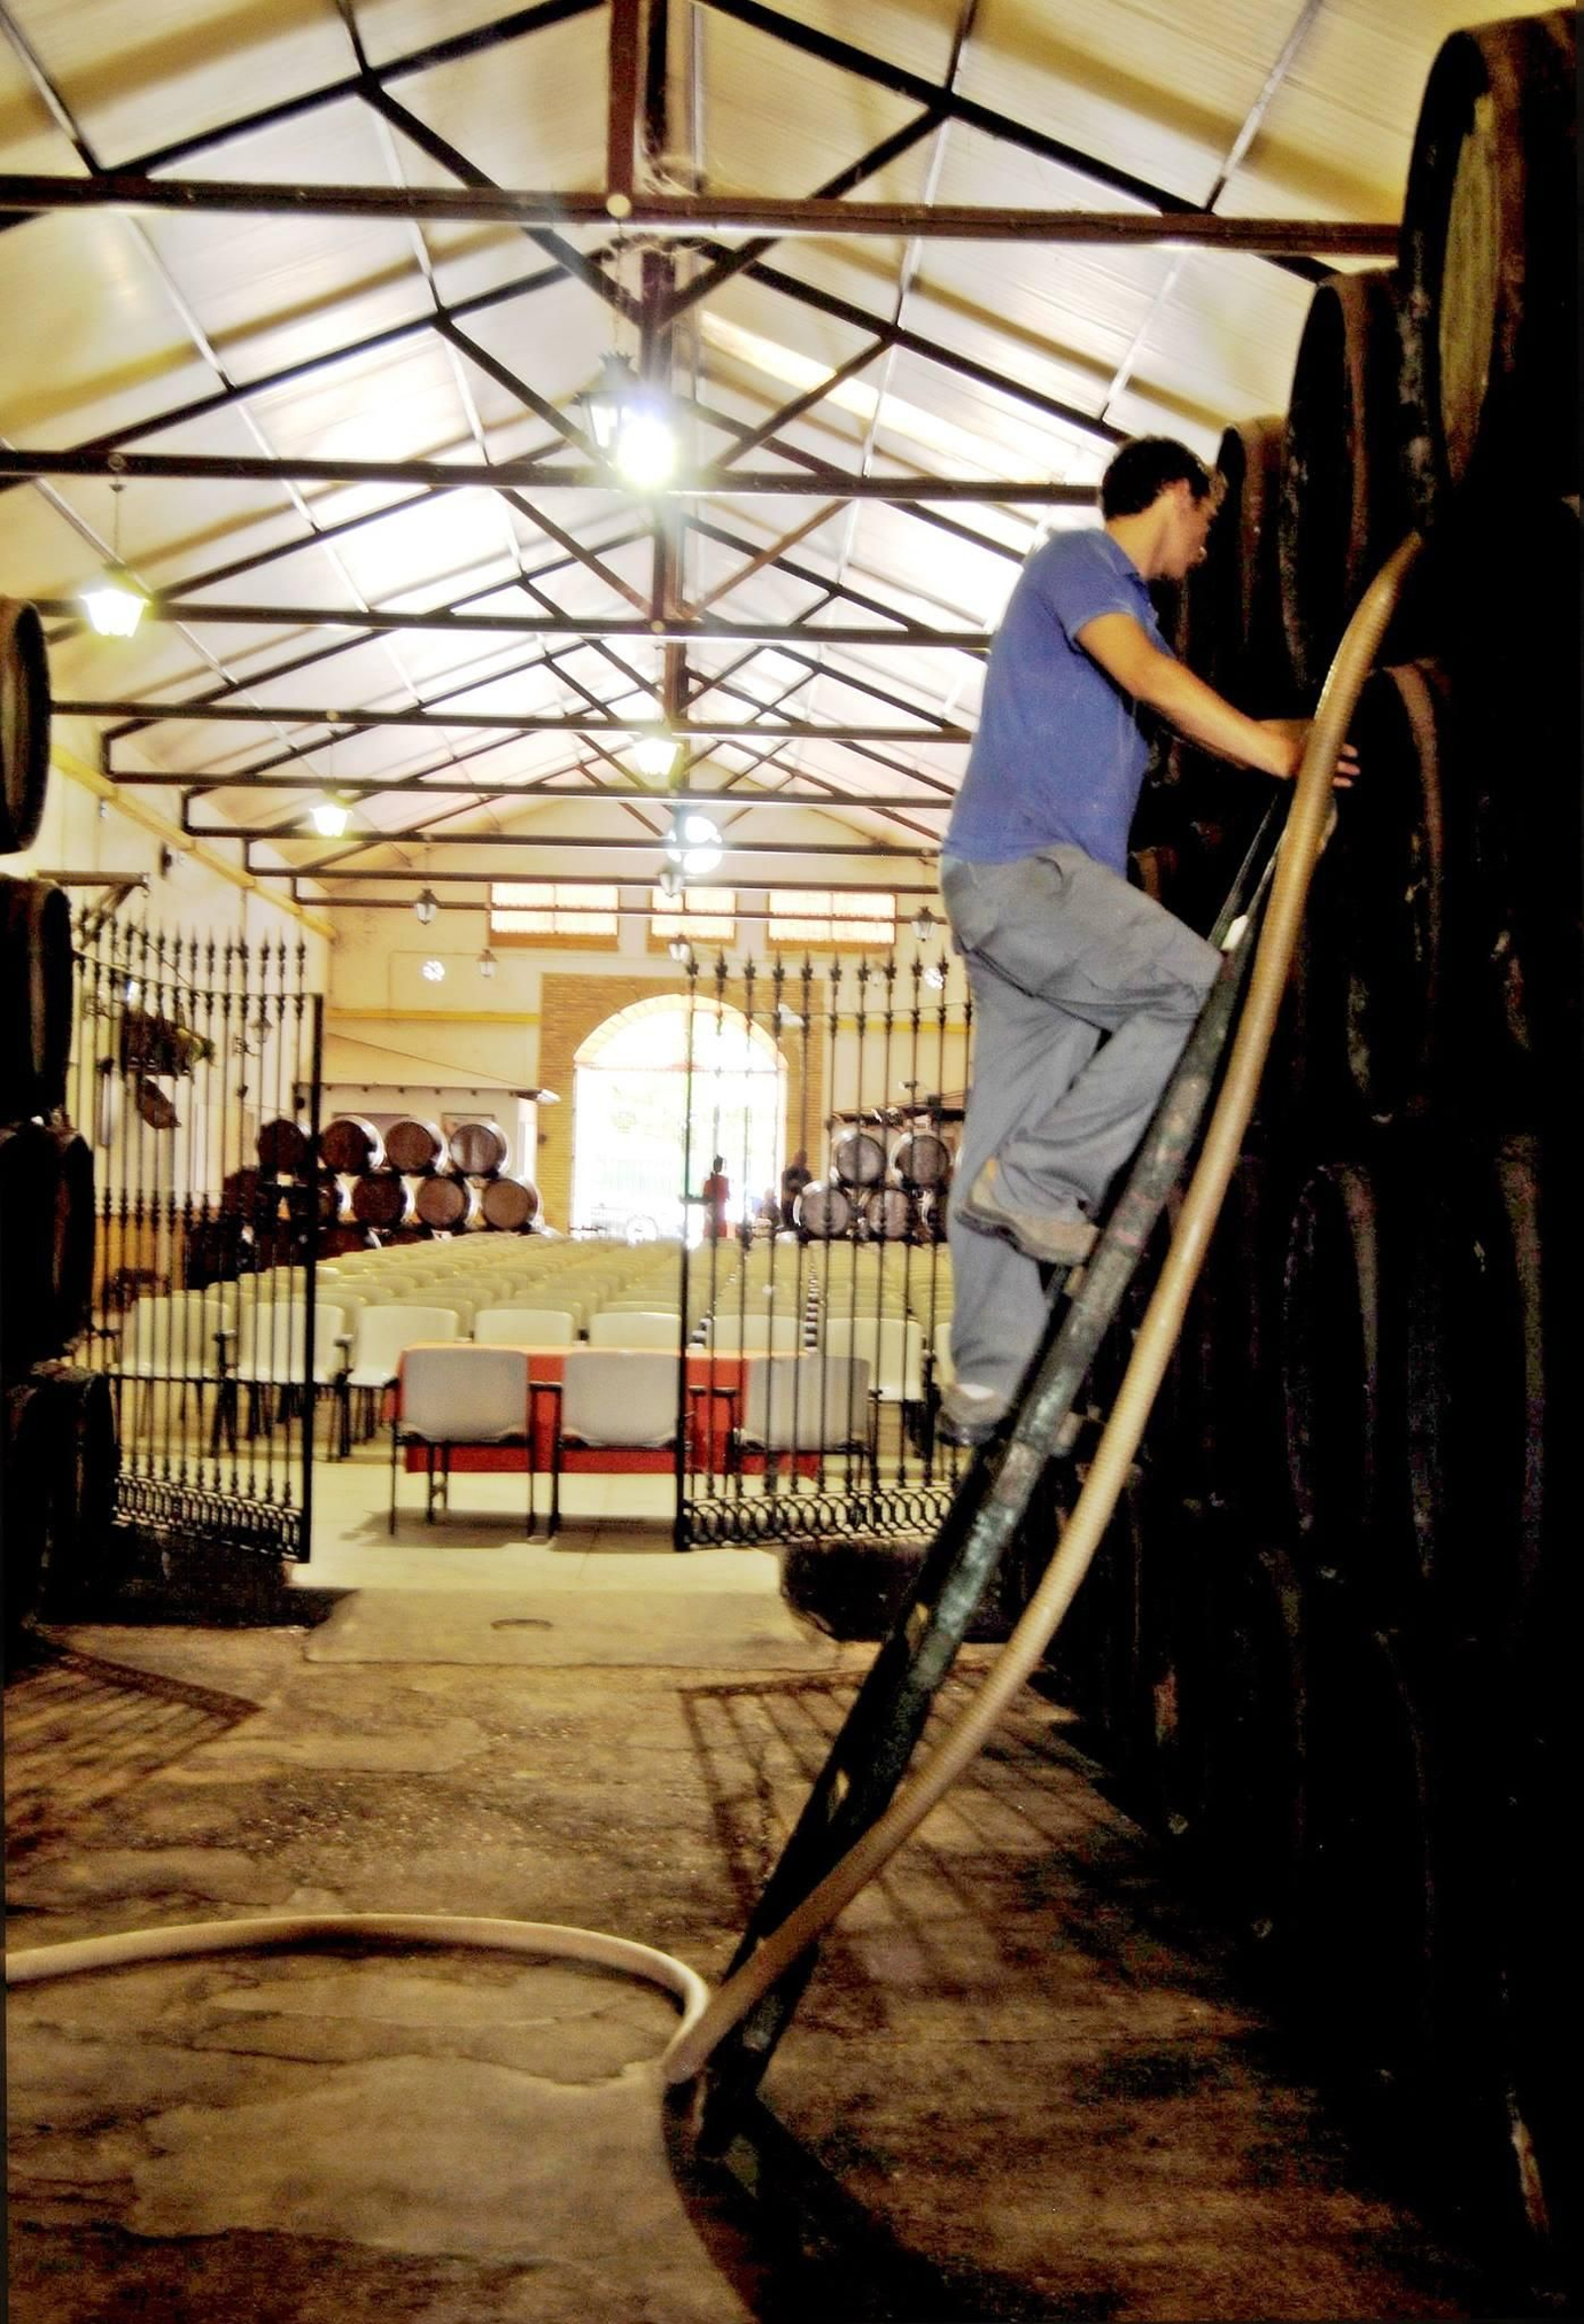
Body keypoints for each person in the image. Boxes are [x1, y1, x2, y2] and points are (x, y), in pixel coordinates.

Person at [938, 436, 1355, 1447]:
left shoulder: (1120, 614)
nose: (1210, 541)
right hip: (1027, 873)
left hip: (1011, 890)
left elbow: (1172, 702)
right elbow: (1145, 672)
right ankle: (1045, 1181)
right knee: (1197, 992)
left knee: (996, 1143)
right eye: (1208, 516)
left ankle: (985, 1387)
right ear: (1175, 492)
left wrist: (1289, 730)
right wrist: (1271, 751)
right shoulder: (1081, 561)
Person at [700, 1154, 730, 1241]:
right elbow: (726, 1197)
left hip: (712, 1216)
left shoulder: (709, 1182)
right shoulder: (724, 1181)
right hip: (718, 1215)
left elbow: (705, 1200)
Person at [779, 1148, 812, 1219]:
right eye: (800, 1159)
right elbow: (786, 1195)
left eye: (804, 1160)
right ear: (795, 1158)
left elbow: (809, 1191)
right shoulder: (787, 1173)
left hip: (803, 1210)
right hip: (788, 1209)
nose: (802, 1162)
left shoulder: (807, 1174)